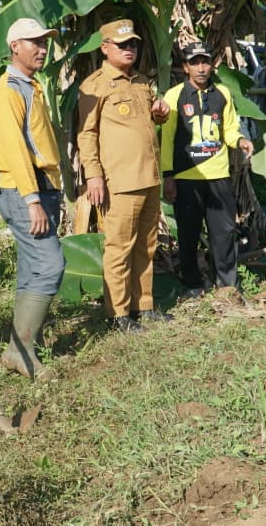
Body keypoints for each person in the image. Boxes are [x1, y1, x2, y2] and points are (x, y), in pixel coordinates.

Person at [77, 19, 172, 333]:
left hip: (148, 177)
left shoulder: (142, 82)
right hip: (120, 182)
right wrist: (93, 176)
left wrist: (159, 114)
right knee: (119, 247)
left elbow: (145, 125)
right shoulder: (94, 86)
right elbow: (87, 135)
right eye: (122, 45)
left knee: (146, 245)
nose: (129, 49)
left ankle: (142, 305)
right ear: (105, 48)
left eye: (133, 44)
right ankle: (118, 314)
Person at [0, 17, 66, 380]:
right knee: (51, 266)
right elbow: (15, 148)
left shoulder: (30, 86)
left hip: (41, 186)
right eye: (33, 42)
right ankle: (21, 349)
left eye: (44, 41)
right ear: (14, 47)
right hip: (26, 190)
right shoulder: (8, 89)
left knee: (32, 269)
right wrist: (32, 199)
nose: (41, 47)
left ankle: (19, 349)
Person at [160, 42, 254, 298]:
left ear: (213, 64)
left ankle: (227, 286)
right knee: (188, 234)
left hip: (218, 175)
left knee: (224, 232)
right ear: (185, 67)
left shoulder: (222, 93)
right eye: (195, 62)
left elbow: (230, 130)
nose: (201, 68)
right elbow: (167, 139)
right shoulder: (174, 96)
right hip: (186, 177)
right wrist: (168, 176)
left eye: (205, 62)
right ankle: (193, 285)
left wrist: (241, 141)